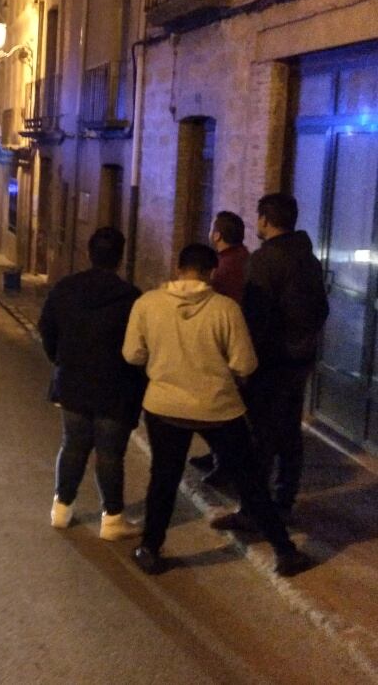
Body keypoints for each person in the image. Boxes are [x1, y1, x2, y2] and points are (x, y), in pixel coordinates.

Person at [123, 243, 309, 577]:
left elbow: (132, 354)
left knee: (163, 479)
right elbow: (245, 363)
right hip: (218, 407)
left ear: (178, 267)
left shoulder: (147, 304)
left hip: (164, 407)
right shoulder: (225, 309)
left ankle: (150, 549)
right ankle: (284, 550)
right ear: (211, 273)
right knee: (249, 480)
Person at [37, 227, 144, 540]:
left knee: (73, 444)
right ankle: (112, 519)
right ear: (121, 257)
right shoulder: (131, 298)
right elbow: (140, 346)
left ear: (88, 252)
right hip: (116, 386)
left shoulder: (65, 289)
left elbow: (47, 329)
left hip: (73, 382)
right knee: (110, 453)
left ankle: (62, 508)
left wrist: (59, 359)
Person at [242, 193, 328, 522]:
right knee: (289, 433)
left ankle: (254, 509)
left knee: (260, 437)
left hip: (270, 363)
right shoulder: (309, 259)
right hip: (299, 361)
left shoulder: (266, 260)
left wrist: (247, 363)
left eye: (258, 217)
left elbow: (256, 314)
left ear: (265, 219)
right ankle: (283, 500)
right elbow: (321, 309)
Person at [190, 210, 251, 484]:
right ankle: (217, 456)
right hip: (238, 342)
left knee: (216, 410)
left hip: (226, 347)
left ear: (217, 235)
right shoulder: (245, 260)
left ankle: (225, 463)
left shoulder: (222, 269)